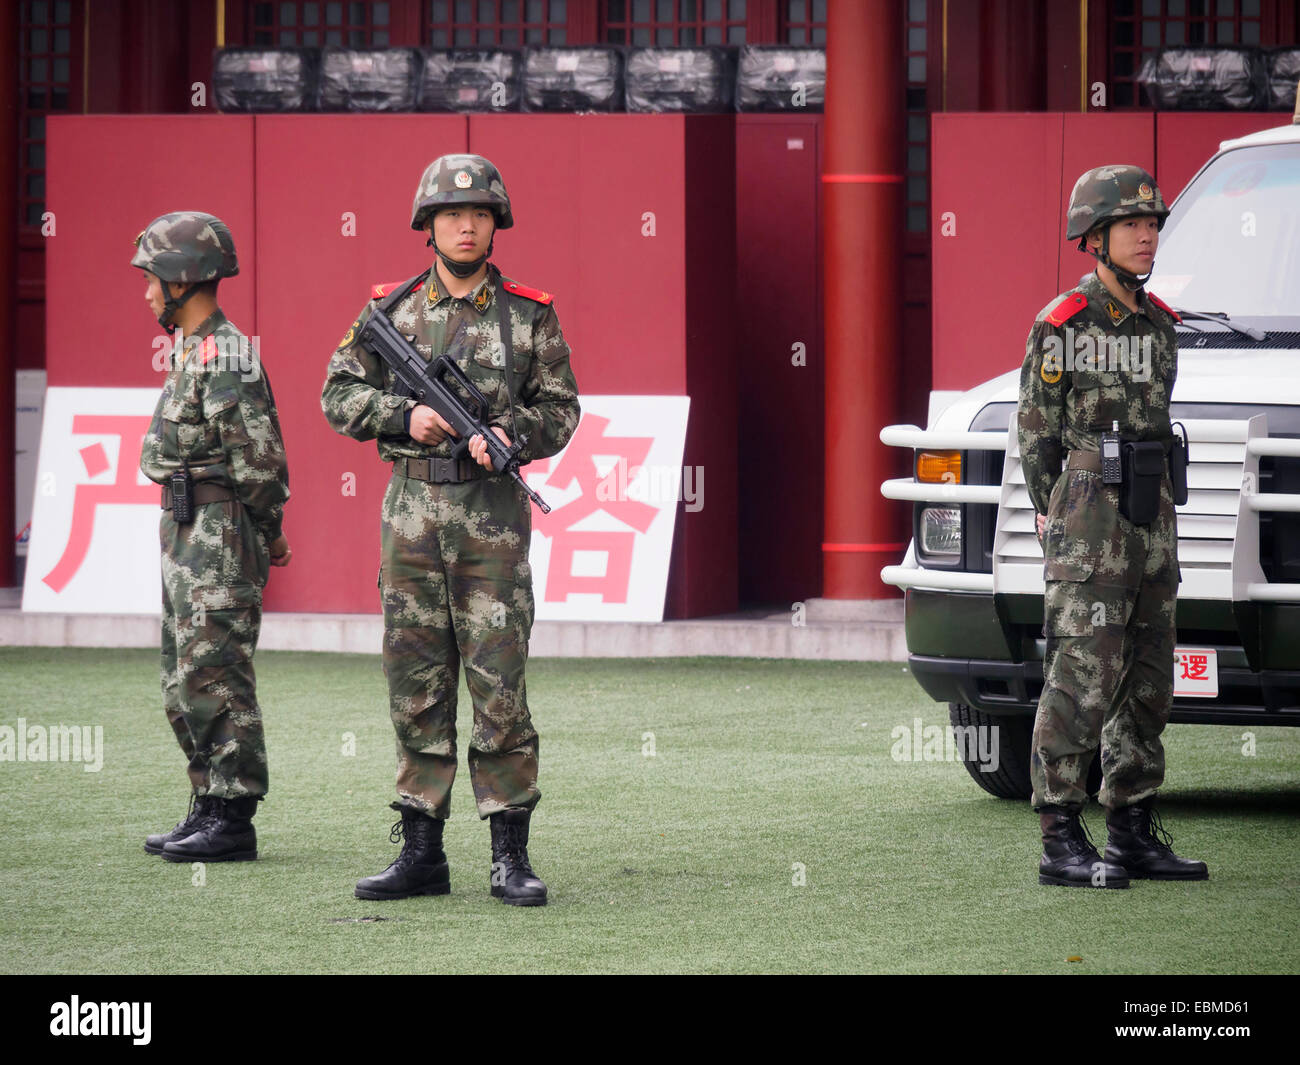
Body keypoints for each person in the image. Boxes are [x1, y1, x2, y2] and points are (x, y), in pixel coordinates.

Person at [321, 154, 580, 906]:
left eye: (479, 215)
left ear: (496, 223)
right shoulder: (390, 310)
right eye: (451, 214)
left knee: (499, 685)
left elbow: (563, 407)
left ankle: (510, 852)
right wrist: (405, 415)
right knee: (414, 683)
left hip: (491, 521)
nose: (466, 226)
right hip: (410, 518)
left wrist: (509, 432)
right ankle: (421, 850)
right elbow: (337, 392)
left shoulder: (531, 313)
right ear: (427, 225)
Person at [1017, 166, 1208, 888]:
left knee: (1150, 674)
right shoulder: (1064, 323)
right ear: (1093, 236)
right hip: (1091, 512)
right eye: (1131, 223)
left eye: (1153, 223)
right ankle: (1060, 835)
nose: (1146, 234)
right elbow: (1037, 438)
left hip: (1153, 512)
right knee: (1082, 674)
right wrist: (1064, 514)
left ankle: (1130, 828)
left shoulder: (1161, 325)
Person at [135, 212, 291, 863]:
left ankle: (233, 816)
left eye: (151, 279)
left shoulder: (226, 354)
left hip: (220, 536)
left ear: (182, 278)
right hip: (186, 532)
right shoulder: (193, 351)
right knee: (182, 675)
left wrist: (266, 535)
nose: (145, 294)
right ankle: (206, 799)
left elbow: (259, 462)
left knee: (216, 672)